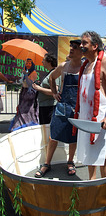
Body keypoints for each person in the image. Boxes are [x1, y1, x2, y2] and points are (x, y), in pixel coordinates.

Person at [73, 31, 106, 180]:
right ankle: (91, 183)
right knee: (89, 151)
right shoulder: (86, 64)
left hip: (101, 119)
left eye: (84, 43)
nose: (81, 45)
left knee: (103, 155)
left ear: (95, 46)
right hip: (86, 116)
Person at [35, 39, 83, 178]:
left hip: (77, 109)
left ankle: (70, 162)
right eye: (71, 46)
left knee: (73, 138)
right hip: (62, 107)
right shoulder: (63, 66)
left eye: (75, 47)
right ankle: (46, 164)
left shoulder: (85, 68)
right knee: (53, 137)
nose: (72, 49)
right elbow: (52, 78)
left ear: (82, 52)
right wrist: (55, 93)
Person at [10, 58, 39, 131]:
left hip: (29, 94)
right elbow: (23, 83)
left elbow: (30, 84)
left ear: (32, 65)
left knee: (28, 111)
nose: (28, 64)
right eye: (27, 63)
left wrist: (26, 75)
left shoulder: (34, 73)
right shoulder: (27, 72)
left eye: (30, 63)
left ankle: (28, 125)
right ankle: (20, 124)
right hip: (23, 93)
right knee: (21, 110)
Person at [32, 53, 60, 124]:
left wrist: (39, 88)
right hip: (44, 105)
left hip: (49, 106)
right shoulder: (49, 73)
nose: (42, 62)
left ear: (49, 62)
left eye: (43, 60)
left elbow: (54, 91)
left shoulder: (54, 73)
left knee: (47, 128)